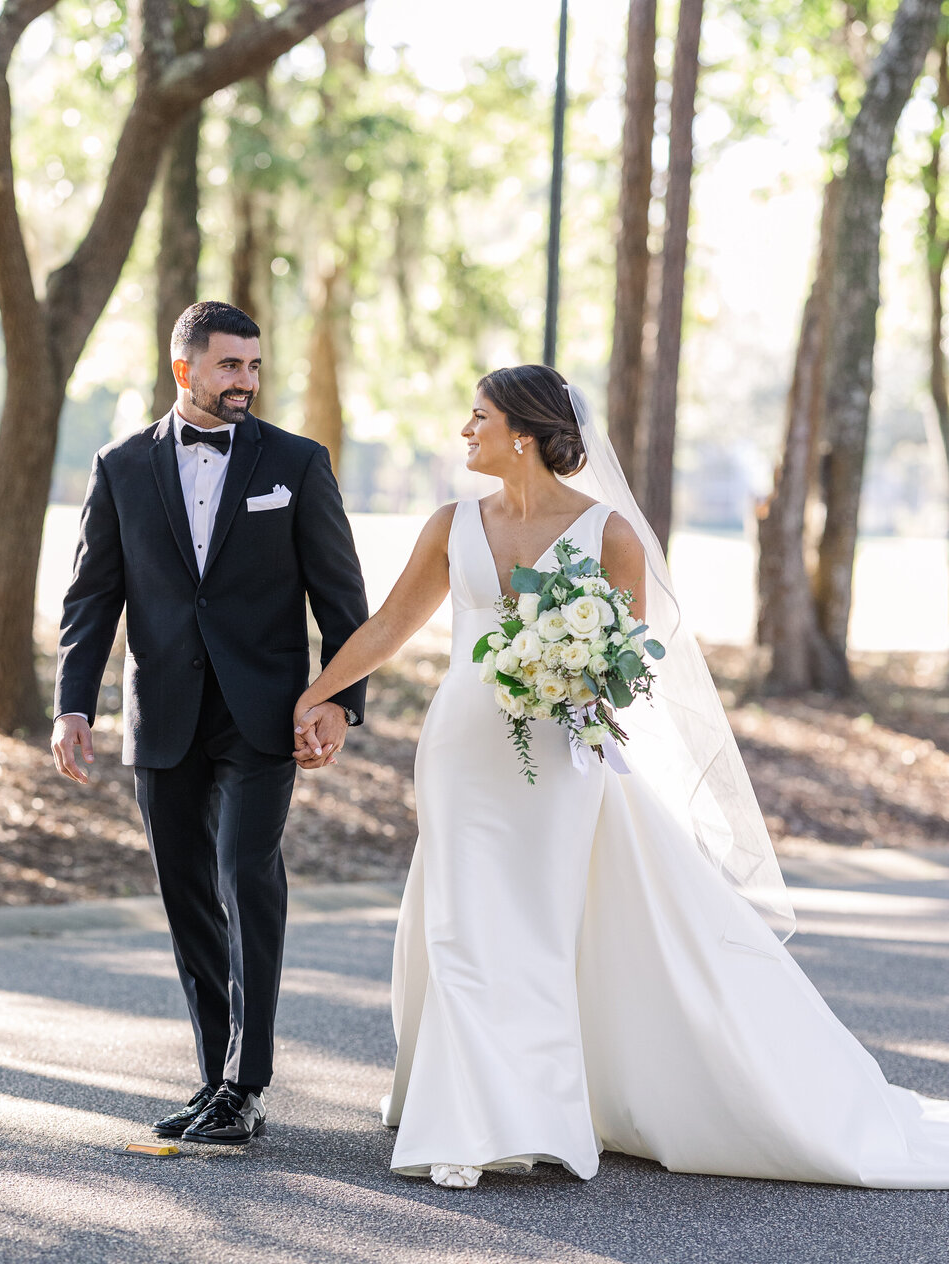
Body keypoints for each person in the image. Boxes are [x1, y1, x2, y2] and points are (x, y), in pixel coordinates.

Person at [293, 364, 949, 1190]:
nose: (466, 431)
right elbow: (389, 622)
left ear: (522, 435)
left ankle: (540, 1118)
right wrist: (319, 697)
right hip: (461, 747)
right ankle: (463, 1120)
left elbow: (630, 665)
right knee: (459, 926)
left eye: (479, 417)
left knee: (534, 929)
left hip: (561, 754)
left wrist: (570, 677)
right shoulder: (451, 525)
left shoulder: (611, 536)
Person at [52, 301, 368, 1146]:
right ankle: (212, 1079)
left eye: (255, 367)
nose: (247, 382)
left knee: (244, 874)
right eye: (231, 366)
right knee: (187, 892)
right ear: (184, 368)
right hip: (163, 715)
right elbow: (93, 596)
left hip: (266, 713)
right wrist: (74, 703)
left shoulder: (297, 463)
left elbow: (341, 596)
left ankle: (248, 1081)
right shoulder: (120, 465)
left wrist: (339, 698)